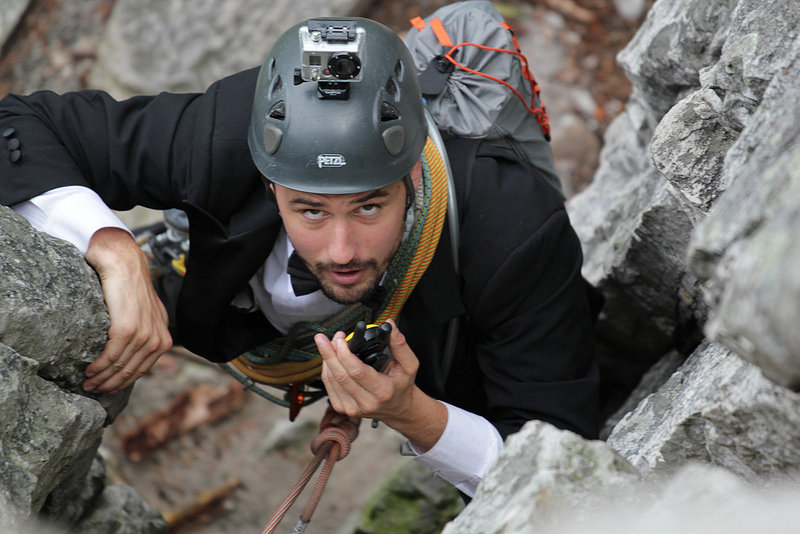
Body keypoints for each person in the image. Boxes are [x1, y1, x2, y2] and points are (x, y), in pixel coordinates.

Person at [0, 17, 598, 497]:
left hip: (446, 348)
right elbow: (18, 123)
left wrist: (412, 413)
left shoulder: (514, 234)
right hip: (232, 305)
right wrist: (115, 247)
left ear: (413, 171)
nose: (341, 252)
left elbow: (556, 464)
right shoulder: (225, 134)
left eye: (369, 208)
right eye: (310, 211)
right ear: (267, 181)